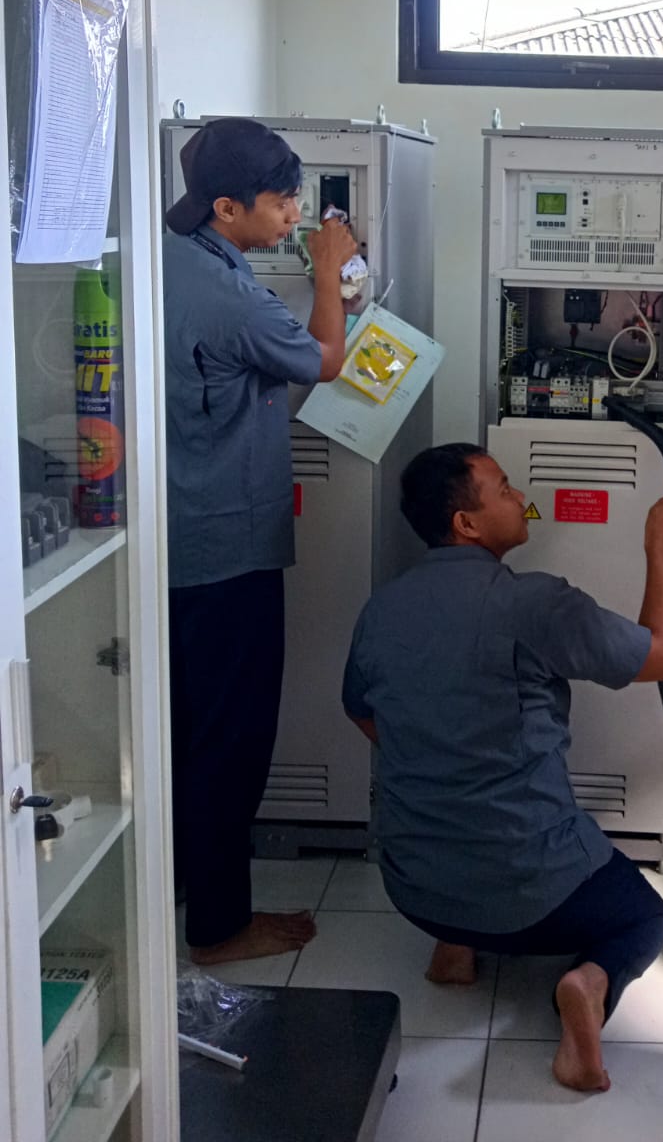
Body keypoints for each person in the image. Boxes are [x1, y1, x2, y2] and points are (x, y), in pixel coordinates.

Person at [342, 443, 663, 1093]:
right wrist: (659, 547)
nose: (518, 494)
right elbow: (662, 655)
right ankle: (588, 987)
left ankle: (455, 950)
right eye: (502, 487)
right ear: (466, 525)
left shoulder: (381, 608)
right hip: (529, 890)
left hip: (413, 887)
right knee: (645, 915)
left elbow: (362, 712)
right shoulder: (534, 603)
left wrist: (442, 761)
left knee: (466, 854)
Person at [164, 117, 357, 964]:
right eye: (281, 204)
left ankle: (182, 888)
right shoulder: (227, 295)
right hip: (226, 550)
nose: (293, 215)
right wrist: (326, 272)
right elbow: (323, 359)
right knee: (231, 740)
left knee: (182, 730)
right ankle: (219, 927)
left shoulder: (171, 259)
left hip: (174, 544)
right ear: (226, 206)